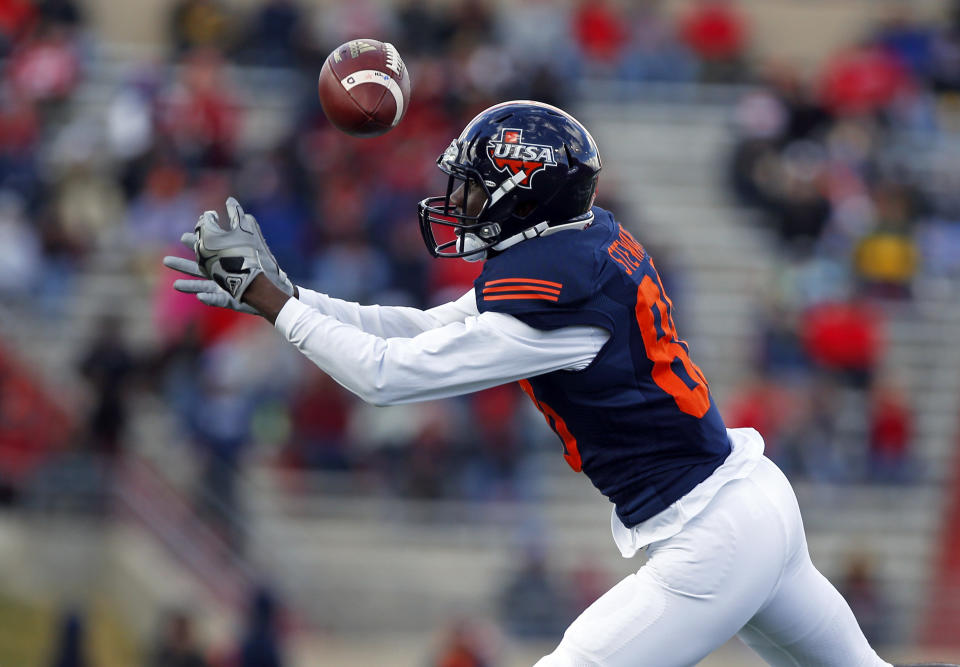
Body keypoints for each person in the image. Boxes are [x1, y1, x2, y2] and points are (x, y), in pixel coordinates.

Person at [164, 101, 936, 666]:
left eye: (475, 184)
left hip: (713, 533)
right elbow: (424, 327)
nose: (458, 201)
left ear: (523, 191)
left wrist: (271, 303)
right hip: (750, 496)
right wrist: (289, 296)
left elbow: (383, 376)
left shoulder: (556, 298)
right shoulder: (581, 243)